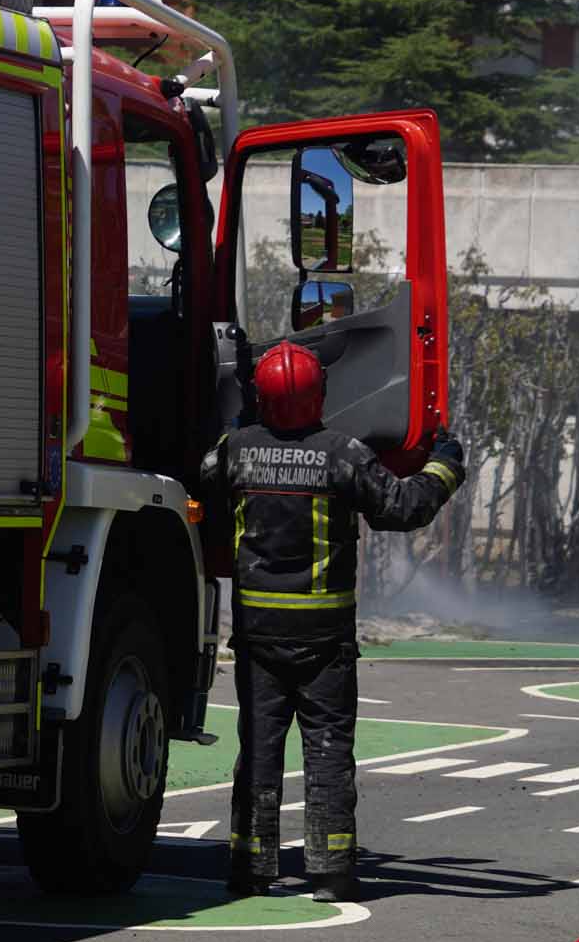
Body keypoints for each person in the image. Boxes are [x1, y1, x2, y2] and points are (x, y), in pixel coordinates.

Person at [197, 340, 466, 903]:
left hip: (259, 635)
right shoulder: (343, 454)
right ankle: (332, 873)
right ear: (319, 394)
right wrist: (446, 463)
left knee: (260, 753)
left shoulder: (235, 450)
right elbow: (403, 507)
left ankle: (251, 870)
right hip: (324, 641)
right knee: (327, 751)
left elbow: (204, 483)